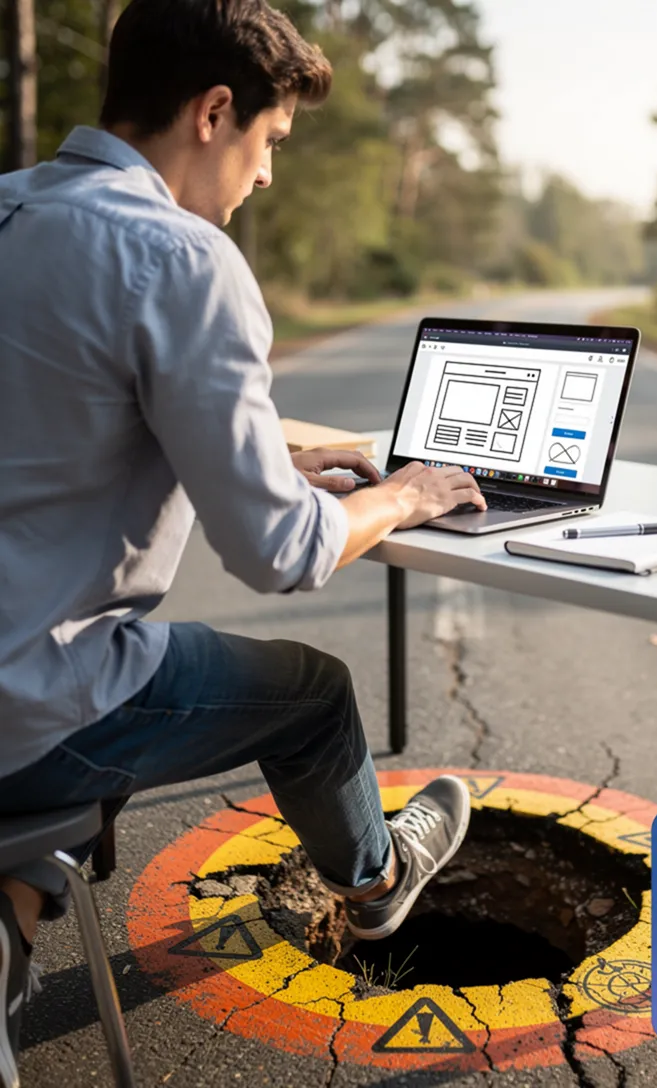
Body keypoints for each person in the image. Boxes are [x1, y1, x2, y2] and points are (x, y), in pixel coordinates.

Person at [0, 1, 488, 1081]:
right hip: (22, 701)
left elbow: (55, 408)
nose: (264, 174)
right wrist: (402, 494)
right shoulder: (180, 257)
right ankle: (377, 885)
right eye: (269, 142)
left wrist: (258, 449)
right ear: (214, 112)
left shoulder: (12, 207)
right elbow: (280, 552)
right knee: (310, 692)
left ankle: (16, 910)